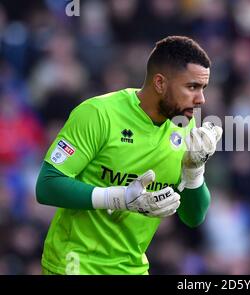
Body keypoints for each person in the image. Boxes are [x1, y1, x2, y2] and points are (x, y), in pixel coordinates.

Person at [35, 36, 223, 275]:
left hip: (132, 269)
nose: (201, 99)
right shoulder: (98, 114)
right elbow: (47, 186)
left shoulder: (184, 126)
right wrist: (120, 198)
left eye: (203, 88)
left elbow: (193, 217)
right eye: (192, 87)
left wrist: (195, 171)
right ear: (160, 83)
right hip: (74, 265)